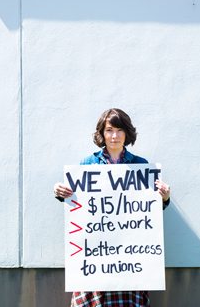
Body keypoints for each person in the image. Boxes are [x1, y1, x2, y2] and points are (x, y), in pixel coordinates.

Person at [54, 108, 171, 307]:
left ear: (127, 133)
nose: (114, 136)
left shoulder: (140, 165)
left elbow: (148, 212)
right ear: (102, 133)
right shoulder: (88, 165)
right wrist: (60, 191)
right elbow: (76, 205)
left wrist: (165, 197)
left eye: (119, 130)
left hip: (130, 258)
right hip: (96, 259)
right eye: (109, 130)